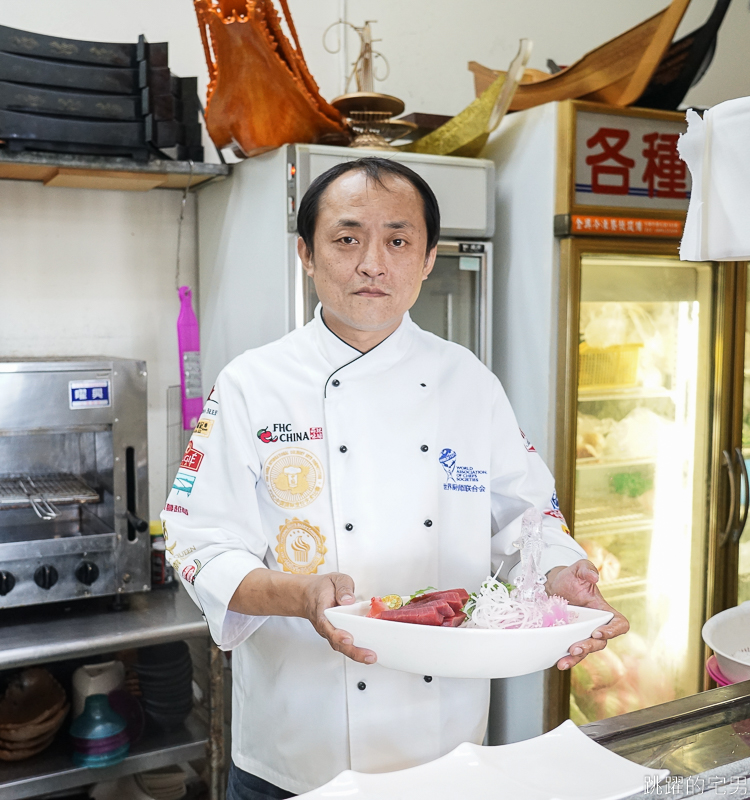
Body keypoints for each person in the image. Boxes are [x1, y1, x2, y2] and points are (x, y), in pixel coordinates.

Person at [161, 157, 628, 799]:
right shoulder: (252, 384)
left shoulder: (469, 382)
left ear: (428, 258)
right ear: (306, 252)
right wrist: (299, 596)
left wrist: (562, 577)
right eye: (347, 238)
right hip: (298, 747)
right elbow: (195, 543)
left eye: (398, 240)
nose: (372, 263)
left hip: (445, 747)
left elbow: (527, 522)